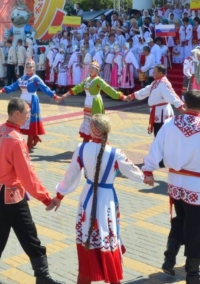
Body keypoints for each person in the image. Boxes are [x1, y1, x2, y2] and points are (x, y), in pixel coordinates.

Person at [0, 98, 61, 284]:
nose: (28, 116)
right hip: (9, 195)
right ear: (16, 114)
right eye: (26, 113)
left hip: (8, 194)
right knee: (0, 236)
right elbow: (27, 175)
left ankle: (42, 276)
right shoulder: (16, 140)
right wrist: (46, 199)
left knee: (27, 234)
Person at [143, 90, 200, 284]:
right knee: (196, 228)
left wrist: (149, 169)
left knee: (180, 220)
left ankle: (169, 258)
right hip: (196, 184)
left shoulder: (170, 123)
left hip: (175, 182)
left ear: (184, 104)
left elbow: (157, 148)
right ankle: (193, 274)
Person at [52, 114, 144, 284]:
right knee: (108, 239)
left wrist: (59, 196)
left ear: (93, 130)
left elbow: (70, 175)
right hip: (106, 201)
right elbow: (134, 172)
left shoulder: (81, 148)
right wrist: (147, 178)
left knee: (87, 239)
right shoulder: (116, 153)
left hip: (87, 199)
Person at [0, 60, 58, 151]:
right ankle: (34, 137)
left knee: (30, 122)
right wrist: (3, 90)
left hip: (32, 101)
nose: (29, 68)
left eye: (31, 67)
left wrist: (54, 96)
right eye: (27, 67)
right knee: (22, 120)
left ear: (34, 68)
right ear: (25, 68)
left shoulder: (36, 78)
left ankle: (29, 143)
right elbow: (13, 86)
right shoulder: (22, 78)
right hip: (22, 101)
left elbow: (44, 88)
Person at [59, 62, 124, 141]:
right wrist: (66, 94)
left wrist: (120, 96)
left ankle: (98, 142)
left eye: (93, 68)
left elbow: (108, 89)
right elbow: (78, 87)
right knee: (87, 121)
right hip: (88, 103)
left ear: (97, 70)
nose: (90, 69)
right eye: (90, 68)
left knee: (96, 122)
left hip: (95, 103)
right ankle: (86, 141)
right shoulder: (87, 79)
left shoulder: (98, 80)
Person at [123, 64, 182, 137]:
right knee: (158, 134)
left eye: (154, 72)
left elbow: (171, 95)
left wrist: (180, 106)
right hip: (158, 112)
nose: (152, 73)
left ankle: (161, 147)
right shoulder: (156, 82)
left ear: (160, 73)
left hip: (161, 113)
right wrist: (133, 95)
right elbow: (146, 90)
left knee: (160, 135)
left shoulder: (164, 83)